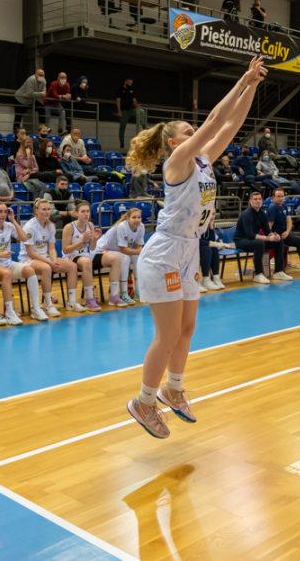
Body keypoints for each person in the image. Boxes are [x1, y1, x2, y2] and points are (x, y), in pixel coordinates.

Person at [124, 57, 264, 440]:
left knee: (187, 328)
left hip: (189, 251)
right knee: (166, 335)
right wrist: (242, 79)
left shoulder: (203, 161)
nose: (196, 133)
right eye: (189, 130)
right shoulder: (178, 161)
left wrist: (252, 87)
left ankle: (174, 387)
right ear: (174, 141)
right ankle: (144, 402)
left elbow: (232, 125)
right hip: (165, 252)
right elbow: (217, 120)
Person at [20, 198, 86, 315]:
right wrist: (50, 263)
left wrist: (54, 261)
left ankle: (71, 302)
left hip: (45, 257)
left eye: (48, 209)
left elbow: (51, 248)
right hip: (28, 259)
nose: (47, 212)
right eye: (43, 209)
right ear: (36, 211)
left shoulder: (51, 226)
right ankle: (48, 304)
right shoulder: (29, 227)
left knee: (72, 266)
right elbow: (30, 253)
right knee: (46, 268)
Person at [0, 202, 38, 325]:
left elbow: (24, 238)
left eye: (5, 211)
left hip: (7, 263)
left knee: (30, 270)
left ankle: (36, 308)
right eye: (0, 211)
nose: (3, 214)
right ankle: (9, 312)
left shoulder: (9, 226)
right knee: (7, 273)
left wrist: (13, 220)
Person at [61, 200, 117, 311]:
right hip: (72, 256)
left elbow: (92, 248)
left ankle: (114, 296)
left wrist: (95, 239)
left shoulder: (90, 225)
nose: (86, 214)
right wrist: (82, 241)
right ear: (76, 213)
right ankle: (89, 299)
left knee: (115, 258)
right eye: (83, 211)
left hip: (87, 255)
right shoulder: (69, 227)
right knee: (86, 262)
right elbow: (65, 250)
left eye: (88, 211)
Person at [234, 190, 290, 284]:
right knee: (259, 244)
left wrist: (274, 236)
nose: (258, 201)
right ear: (250, 201)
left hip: (253, 240)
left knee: (279, 241)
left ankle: (278, 271)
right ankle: (258, 274)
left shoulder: (262, 213)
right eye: (255, 199)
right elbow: (250, 235)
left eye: (260, 199)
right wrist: (268, 238)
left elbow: (267, 231)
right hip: (241, 241)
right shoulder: (246, 214)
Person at [94, 207, 145, 306]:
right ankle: (124, 293)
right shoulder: (122, 226)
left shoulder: (141, 227)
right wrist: (138, 251)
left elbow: (139, 247)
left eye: (139, 217)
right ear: (128, 219)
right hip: (102, 249)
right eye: (134, 217)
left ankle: (138, 291)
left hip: (118, 250)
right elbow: (124, 249)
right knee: (125, 258)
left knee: (137, 257)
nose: (137, 220)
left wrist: (139, 251)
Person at [116, 78, 136, 149]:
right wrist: (119, 111)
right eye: (130, 83)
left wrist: (136, 105)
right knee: (122, 127)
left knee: (140, 112)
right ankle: (122, 143)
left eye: (131, 83)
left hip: (131, 110)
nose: (131, 84)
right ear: (125, 82)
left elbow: (134, 100)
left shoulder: (131, 90)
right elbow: (118, 101)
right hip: (124, 111)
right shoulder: (121, 90)